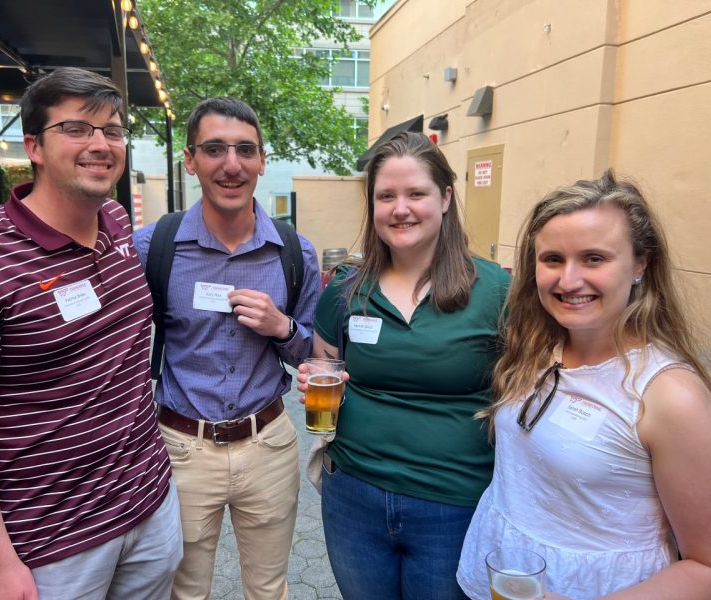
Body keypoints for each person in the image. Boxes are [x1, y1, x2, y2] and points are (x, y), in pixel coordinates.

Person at [0, 67, 182, 599]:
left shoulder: (116, 223)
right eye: (78, 129)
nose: (101, 144)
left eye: (112, 130)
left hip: (149, 508)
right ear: (33, 145)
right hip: (49, 546)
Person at [456, 170, 711, 599]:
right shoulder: (537, 348)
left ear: (640, 263)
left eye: (594, 258)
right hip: (495, 580)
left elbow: (704, 566)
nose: (569, 281)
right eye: (553, 259)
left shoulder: (670, 395)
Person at [299, 131, 511, 599]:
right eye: (386, 196)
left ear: (446, 198)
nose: (401, 209)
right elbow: (323, 364)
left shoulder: (496, 291)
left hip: (454, 504)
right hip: (353, 494)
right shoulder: (345, 290)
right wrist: (315, 378)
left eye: (416, 193)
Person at [132, 96, 320, 600]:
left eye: (244, 150)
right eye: (214, 149)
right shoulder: (154, 248)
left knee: (268, 589)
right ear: (190, 161)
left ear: (262, 160)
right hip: (180, 448)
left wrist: (282, 327)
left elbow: (316, 360)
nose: (231, 164)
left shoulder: (295, 252)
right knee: (185, 591)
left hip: (270, 445)